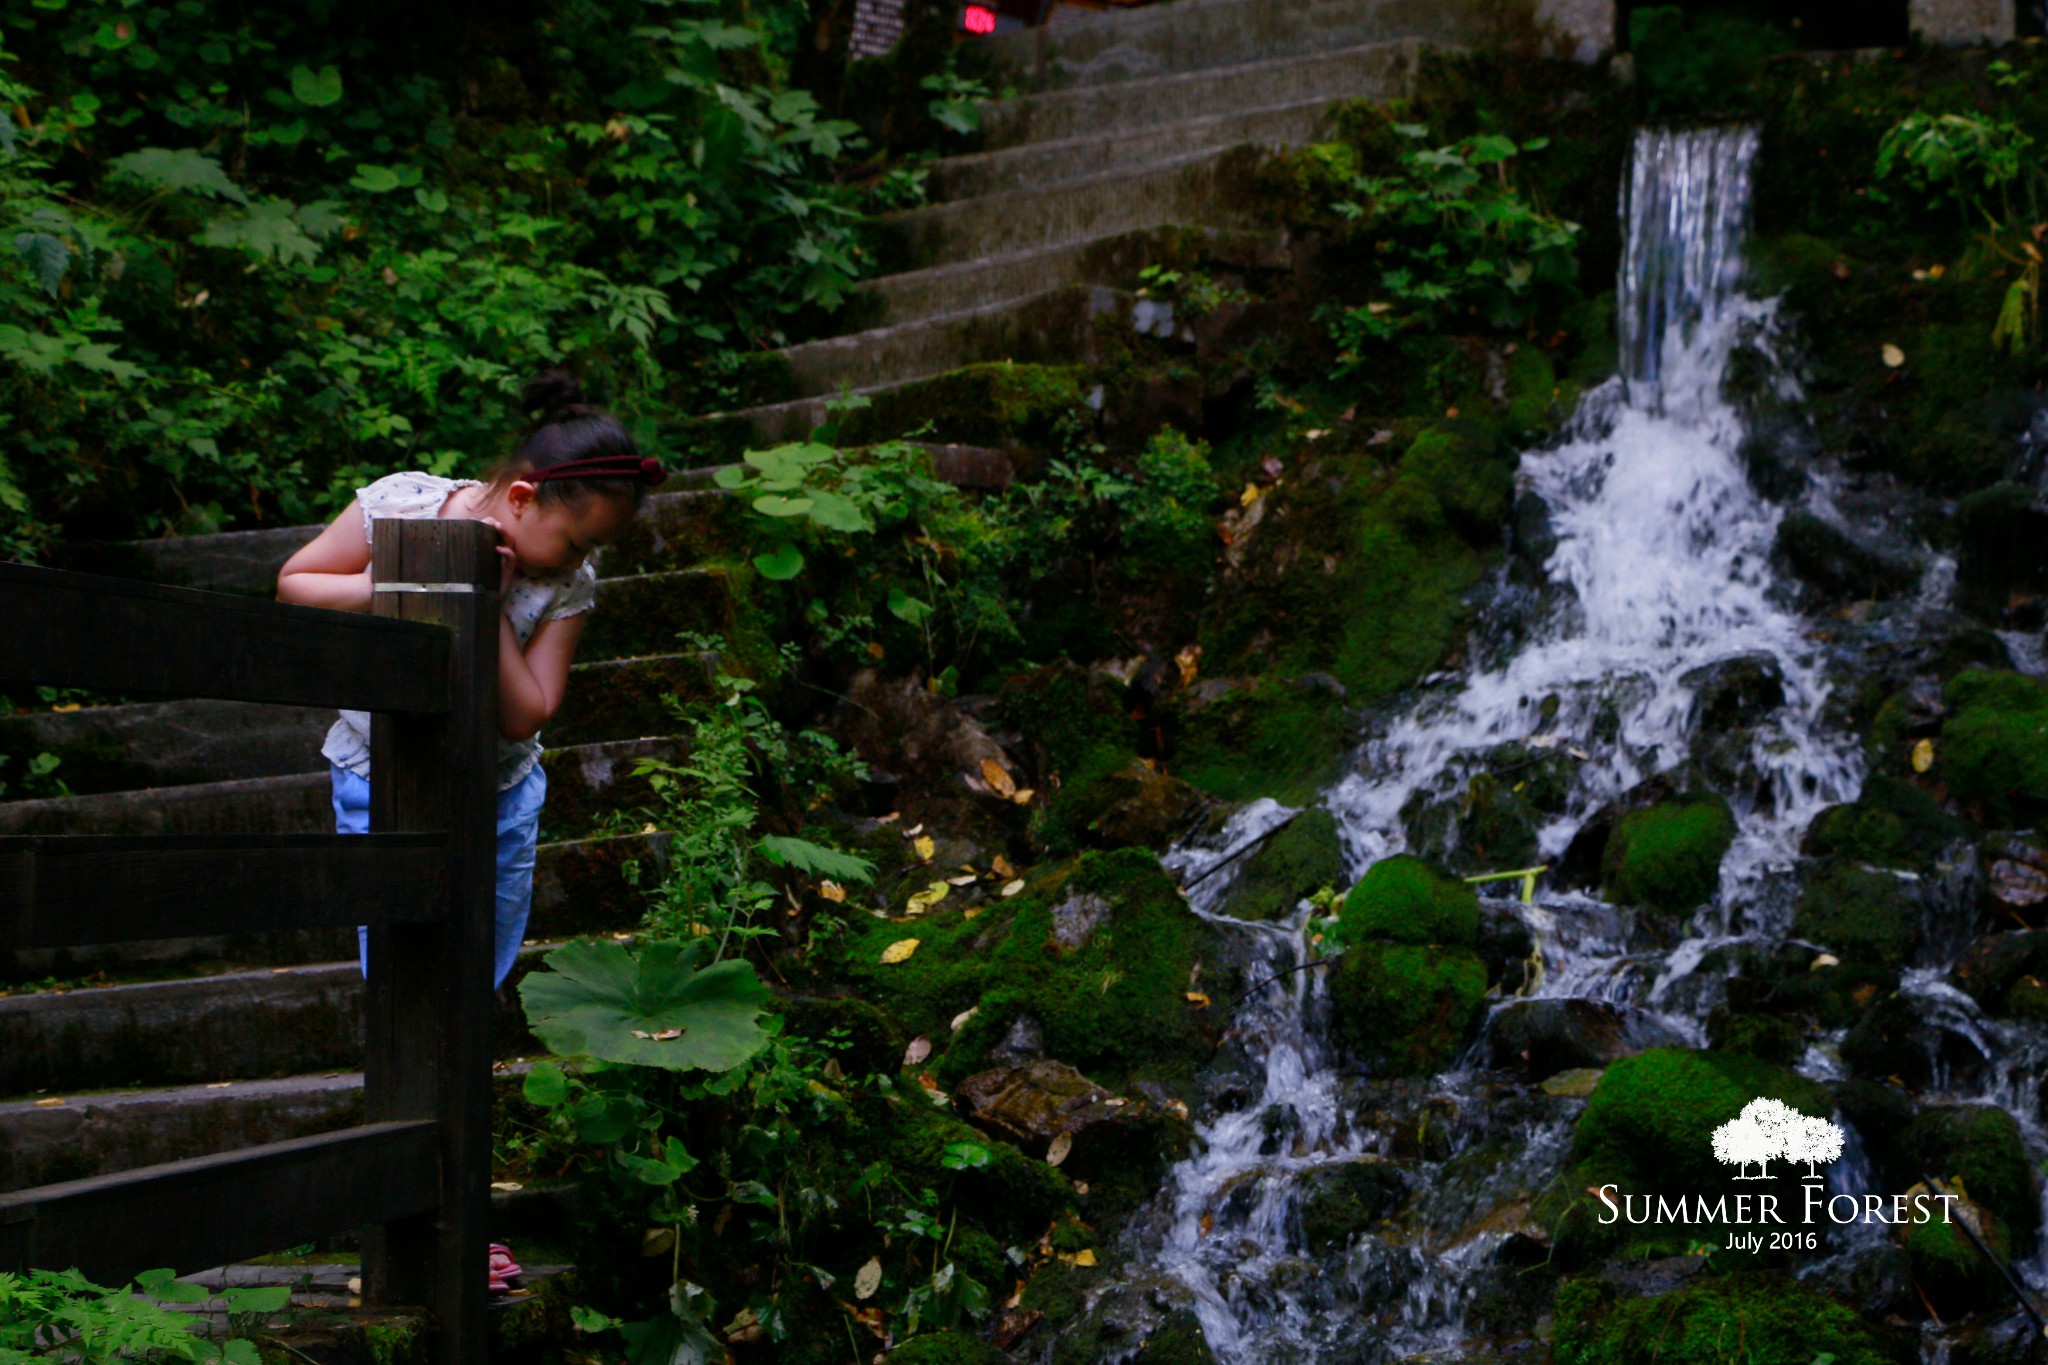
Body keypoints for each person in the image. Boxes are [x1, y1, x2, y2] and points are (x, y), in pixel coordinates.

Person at [276, 371, 665, 991]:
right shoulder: (400, 504)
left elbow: (527, 712)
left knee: (476, 958)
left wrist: (490, 607)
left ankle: (459, 1069)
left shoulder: (567, 584)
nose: (579, 560)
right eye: (575, 543)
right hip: (378, 769)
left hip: (498, 789)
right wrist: (405, 578)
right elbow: (296, 588)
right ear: (520, 497)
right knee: (397, 954)